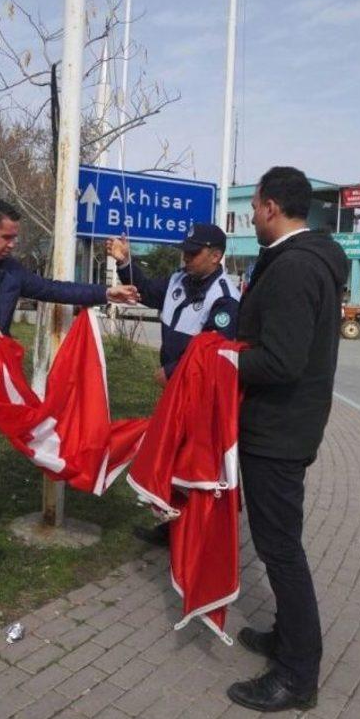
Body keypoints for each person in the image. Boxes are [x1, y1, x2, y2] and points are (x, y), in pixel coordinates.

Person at [0, 198, 139, 579]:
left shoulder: (12, 271)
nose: (13, 243)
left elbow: (53, 289)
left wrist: (104, 294)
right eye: (7, 236)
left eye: (15, 237)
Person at [226, 167, 348, 713]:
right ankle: (286, 637)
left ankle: (298, 676)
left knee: (281, 551)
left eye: (252, 206)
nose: (250, 217)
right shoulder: (300, 261)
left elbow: (281, 360)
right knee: (280, 544)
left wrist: (222, 361)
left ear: (271, 206)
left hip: (278, 432)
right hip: (282, 426)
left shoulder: (295, 268)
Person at [106, 222, 240, 545]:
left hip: (199, 393)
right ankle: (173, 525)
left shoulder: (225, 298)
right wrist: (125, 263)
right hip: (176, 390)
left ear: (215, 256)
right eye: (185, 251)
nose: (186, 259)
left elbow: (213, 353)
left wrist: (172, 371)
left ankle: (199, 530)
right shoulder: (179, 279)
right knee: (173, 457)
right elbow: (149, 290)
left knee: (194, 463)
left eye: (194, 254)